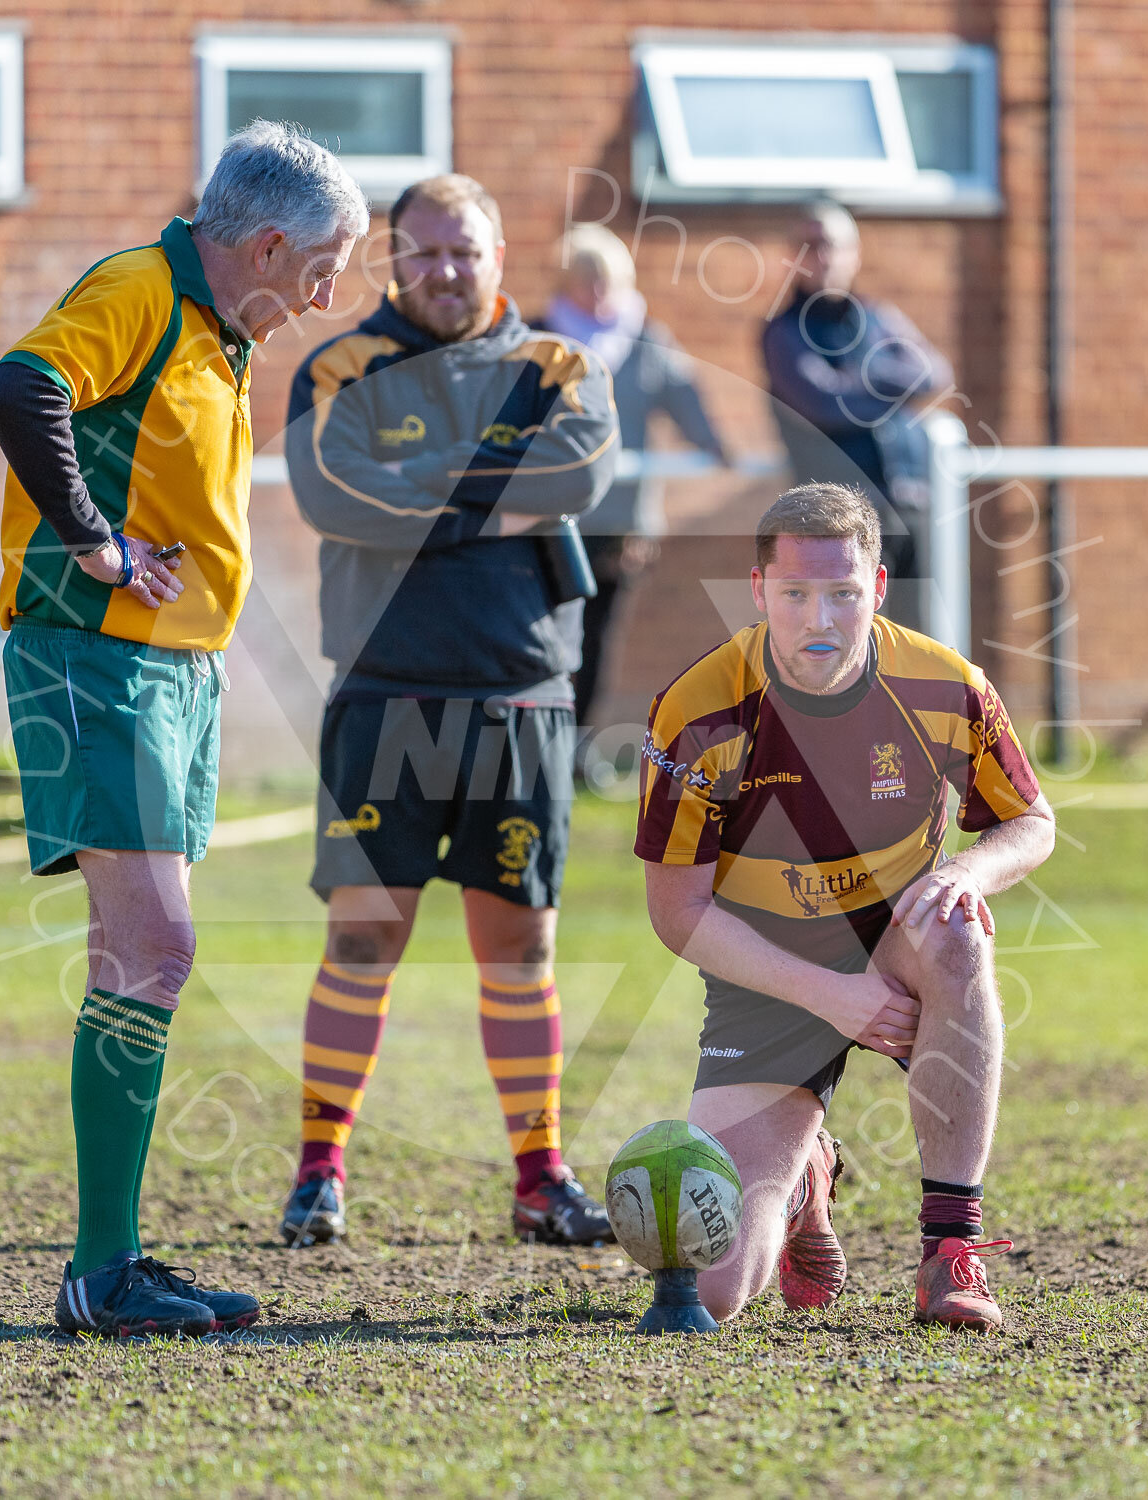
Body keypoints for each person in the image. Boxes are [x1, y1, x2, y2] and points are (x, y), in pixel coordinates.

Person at [0, 122, 367, 1338]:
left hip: (169, 674)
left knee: (134, 958)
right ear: (265, 244)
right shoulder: (143, 290)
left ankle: (112, 1265)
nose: (328, 294)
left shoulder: (220, 328)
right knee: (156, 948)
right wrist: (94, 541)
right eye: (324, 267)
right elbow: (18, 385)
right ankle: (104, 1269)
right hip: (100, 661)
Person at [281, 174, 621, 1249]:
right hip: (387, 693)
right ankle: (319, 1173)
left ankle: (539, 1179)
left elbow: (580, 474)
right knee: (361, 945)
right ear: (391, 260)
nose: (445, 271)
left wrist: (423, 488)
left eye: (464, 251)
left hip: (522, 697)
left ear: (499, 253)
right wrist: (495, 490)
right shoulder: (343, 367)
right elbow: (336, 493)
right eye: (423, 253)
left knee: (520, 951)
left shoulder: (558, 366)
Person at [636, 482, 1055, 1331]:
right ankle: (807, 1173)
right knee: (716, 1290)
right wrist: (831, 997)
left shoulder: (945, 687)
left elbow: (1030, 822)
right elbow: (677, 912)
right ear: (759, 592)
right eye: (794, 594)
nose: (817, 618)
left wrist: (971, 873)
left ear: (879, 587)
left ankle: (950, 1248)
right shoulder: (698, 712)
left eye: (841, 593)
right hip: (763, 973)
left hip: (894, 942)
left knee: (957, 931)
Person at [538, 224, 732, 764]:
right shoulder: (539, 339)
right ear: (566, 281)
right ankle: (538, 743)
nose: (600, 293)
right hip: (549, 520)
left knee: (595, 639)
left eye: (609, 281)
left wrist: (716, 445)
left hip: (618, 527)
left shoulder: (647, 342)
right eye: (587, 280)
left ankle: (572, 749)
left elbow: (685, 402)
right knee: (547, 634)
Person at [762, 202, 954, 628]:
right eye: (810, 246)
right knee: (851, 651)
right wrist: (891, 387)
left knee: (917, 643)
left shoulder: (880, 318)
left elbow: (934, 372)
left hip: (910, 506)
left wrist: (856, 378)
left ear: (855, 254)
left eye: (832, 245)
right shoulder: (783, 332)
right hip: (840, 527)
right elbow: (826, 404)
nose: (823, 257)